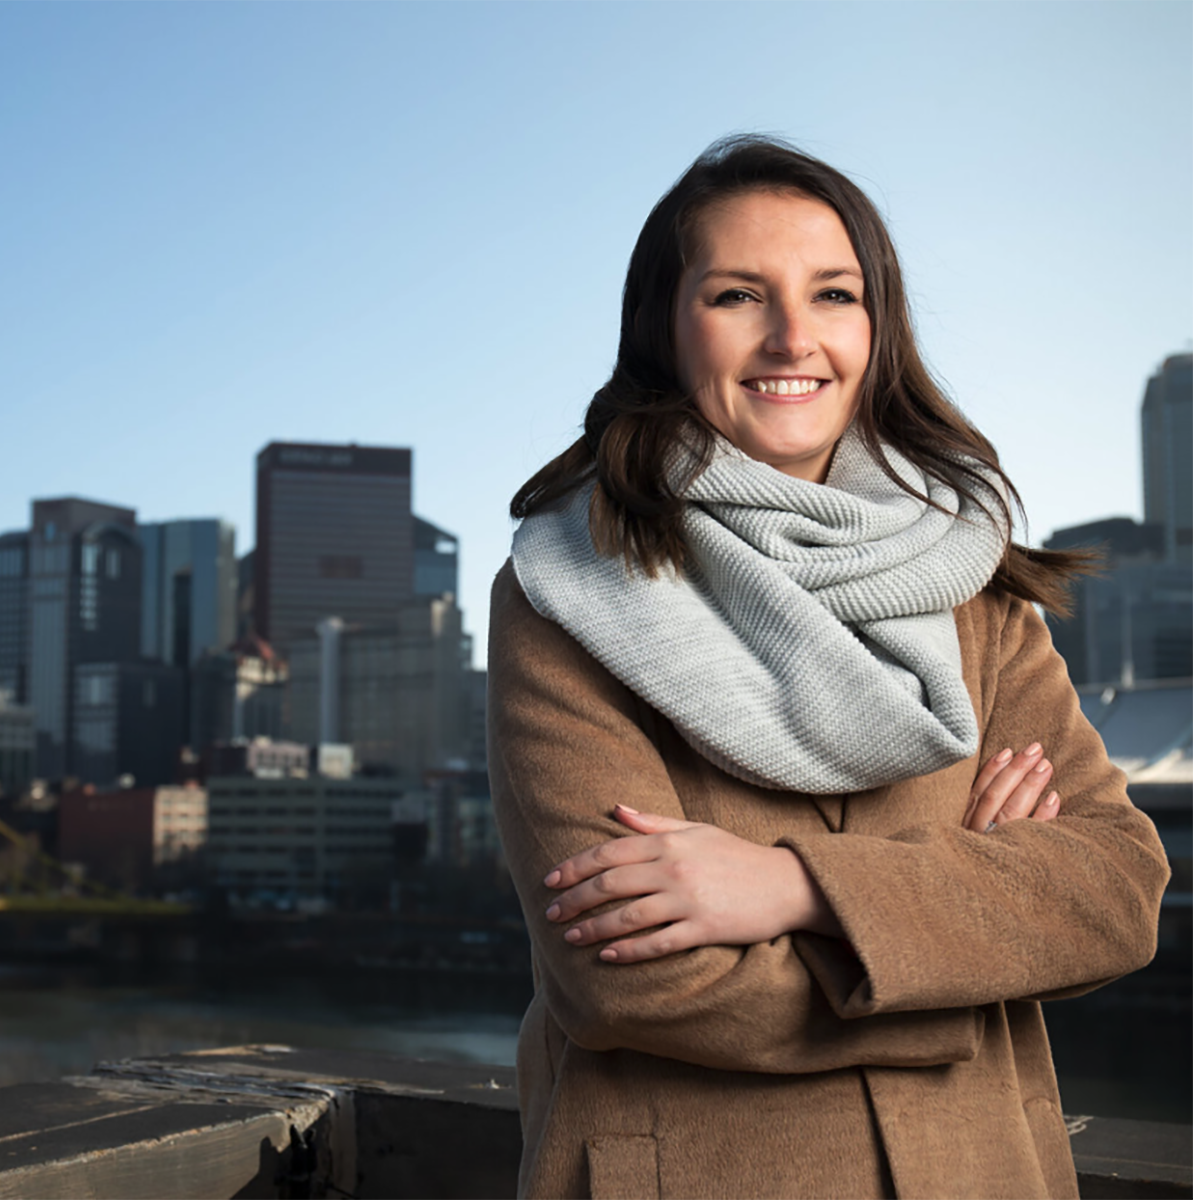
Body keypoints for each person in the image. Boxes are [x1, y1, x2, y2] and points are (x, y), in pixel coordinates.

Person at [487, 136, 1169, 1200]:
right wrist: (971, 939)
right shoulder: (571, 585)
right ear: (665, 328)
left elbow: (1116, 893)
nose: (793, 337)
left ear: (876, 326)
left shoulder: (973, 584)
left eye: (835, 294)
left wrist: (791, 887)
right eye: (737, 295)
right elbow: (629, 979)